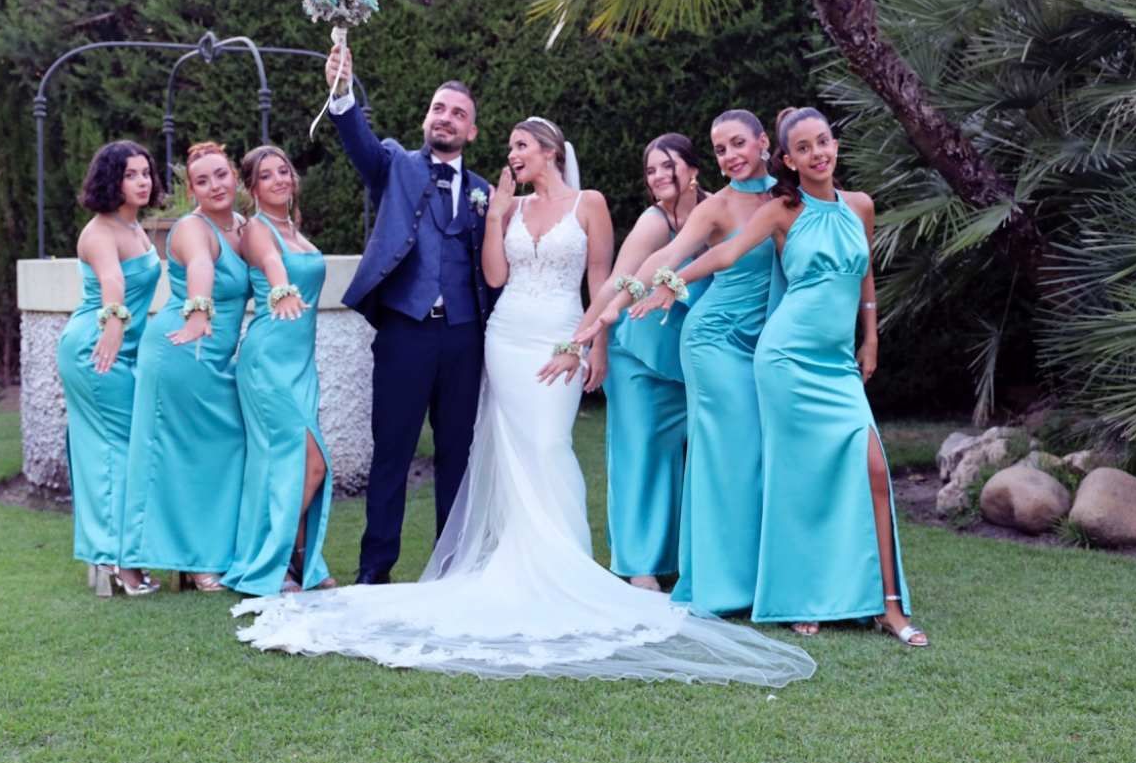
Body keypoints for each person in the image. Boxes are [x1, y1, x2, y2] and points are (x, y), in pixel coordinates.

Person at [231, 118, 816, 687]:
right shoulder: (505, 204)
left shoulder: (589, 202)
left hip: (561, 329)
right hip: (505, 336)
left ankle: (564, 565)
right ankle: (513, 562)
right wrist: (496, 218)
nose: (511, 155)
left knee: (548, 443)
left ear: (549, 151)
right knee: (509, 447)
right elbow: (494, 274)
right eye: (509, 147)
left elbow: (602, 277)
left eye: (520, 146)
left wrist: (590, 342)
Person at [632, 107, 927, 647]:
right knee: (796, 480)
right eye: (806, 148)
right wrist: (671, 281)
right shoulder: (779, 210)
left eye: (825, 142)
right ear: (787, 158)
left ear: (835, 145)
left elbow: (863, 274)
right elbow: (723, 253)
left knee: (874, 469)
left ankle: (889, 605)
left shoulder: (860, 206)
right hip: (786, 358)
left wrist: (872, 337)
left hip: (836, 363)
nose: (819, 153)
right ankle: (800, 596)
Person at [591, 111, 785, 616]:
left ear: (764, 142)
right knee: (685, 453)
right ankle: (669, 571)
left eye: (738, 144)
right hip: (674, 341)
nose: (731, 155)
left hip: (749, 343)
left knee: (730, 454)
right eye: (723, 148)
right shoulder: (704, 211)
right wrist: (600, 323)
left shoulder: (787, 198)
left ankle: (735, 564)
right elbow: (653, 263)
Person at [322, 43, 495, 585]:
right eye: (439, 109)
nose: (445, 118)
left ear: (471, 132)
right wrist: (343, 91)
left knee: (456, 457)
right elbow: (358, 142)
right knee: (392, 452)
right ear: (427, 118)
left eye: (458, 114)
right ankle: (375, 569)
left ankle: (454, 568)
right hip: (404, 332)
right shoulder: (394, 166)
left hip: (465, 338)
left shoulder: (486, 193)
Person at [550, 133, 711, 590]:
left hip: (689, 356)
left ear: (694, 169)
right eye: (651, 170)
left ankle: (686, 556)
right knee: (640, 455)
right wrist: (583, 343)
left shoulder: (717, 210)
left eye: (668, 165)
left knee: (691, 459)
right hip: (639, 356)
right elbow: (617, 285)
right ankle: (640, 566)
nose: (658, 176)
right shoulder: (654, 221)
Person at [118, 142, 251, 593]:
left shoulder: (244, 227)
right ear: (191, 190)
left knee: (222, 451)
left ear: (234, 176)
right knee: (176, 457)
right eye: (202, 180)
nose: (214, 186)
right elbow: (200, 268)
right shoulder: (192, 229)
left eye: (220, 175)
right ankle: (188, 562)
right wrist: (198, 311)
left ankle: (210, 553)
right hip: (181, 351)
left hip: (216, 360)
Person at [222, 146, 335, 596]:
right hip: (267, 362)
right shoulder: (256, 230)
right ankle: (266, 558)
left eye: (284, 171)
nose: (279, 180)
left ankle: (301, 561)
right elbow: (271, 264)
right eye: (266, 176)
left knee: (293, 463)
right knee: (310, 463)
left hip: (300, 363)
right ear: (252, 188)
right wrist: (282, 288)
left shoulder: (295, 228)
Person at [56, 140, 165, 596]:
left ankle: (118, 556)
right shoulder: (99, 232)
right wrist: (115, 326)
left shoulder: (138, 229)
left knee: (119, 448)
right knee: (115, 451)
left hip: (121, 346)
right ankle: (118, 562)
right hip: (96, 346)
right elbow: (112, 281)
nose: (142, 181)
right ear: (111, 181)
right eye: (130, 175)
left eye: (145, 173)